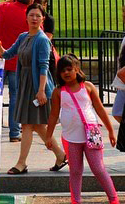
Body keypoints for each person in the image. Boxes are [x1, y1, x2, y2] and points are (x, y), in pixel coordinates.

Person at [0, 2, 68, 174]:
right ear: (26, 17)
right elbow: (8, 54)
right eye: (31, 15)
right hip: (25, 84)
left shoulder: (42, 40)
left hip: (36, 86)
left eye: (38, 16)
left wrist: (41, 91)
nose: (34, 18)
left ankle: (21, 163)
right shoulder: (23, 37)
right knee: (36, 125)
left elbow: (43, 66)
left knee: (27, 124)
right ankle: (60, 155)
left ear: (42, 19)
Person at [46, 55, 119, 204]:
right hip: (70, 138)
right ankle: (76, 201)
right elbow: (53, 115)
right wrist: (48, 136)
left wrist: (111, 131)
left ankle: (113, 199)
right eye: (62, 71)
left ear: (77, 69)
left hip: (92, 134)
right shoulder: (58, 92)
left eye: (69, 69)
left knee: (98, 169)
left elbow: (100, 109)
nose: (66, 73)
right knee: (75, 171)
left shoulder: (88, 87)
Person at [0, 0, 38, 142]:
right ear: (31, 0)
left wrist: (12, 0)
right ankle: (14, 132)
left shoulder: (5, 8)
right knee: (15, 96)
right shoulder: (30, 15)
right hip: (17, 61)